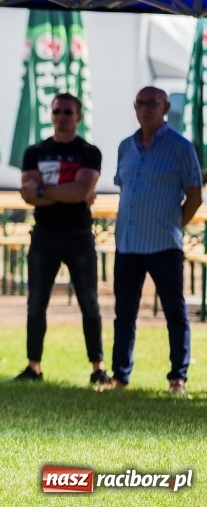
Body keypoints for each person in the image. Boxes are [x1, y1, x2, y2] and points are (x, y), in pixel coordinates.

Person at [100, 86, 202, 395]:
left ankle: (178, 377)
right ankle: (120, 375)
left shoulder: (181, 148)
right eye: (140, 103)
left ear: (166, 107)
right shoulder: (125, 147)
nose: (145, 109)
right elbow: (124, 188)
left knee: (174, 311)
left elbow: (195, 197)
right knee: (124, 313)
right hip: (128, 243)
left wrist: (172, 224)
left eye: (152, 103)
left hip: (163, 243)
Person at [12, 92, 108, 385]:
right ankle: (33, 367)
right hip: (44, 235)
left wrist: (45, 190)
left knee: (89, 304)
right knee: (36, 303)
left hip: (79, 235)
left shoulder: (89, 152)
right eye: (56, 112)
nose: (61, 117)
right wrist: (65, 192)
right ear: (50, 115)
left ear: (78, 116)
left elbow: (80, 193)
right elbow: (28, 194)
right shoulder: (35, 152)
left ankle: (98, 368)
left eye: (67, 112)